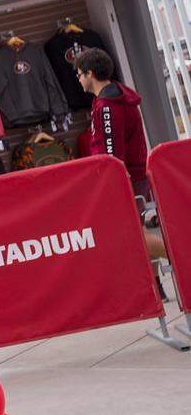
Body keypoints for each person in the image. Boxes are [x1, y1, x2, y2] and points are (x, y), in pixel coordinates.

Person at [75, 47, 167, 263]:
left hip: (125, 180)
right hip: (132, 176)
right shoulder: (114, 96)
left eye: (79, 74)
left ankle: (182, 259)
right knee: (138, 230)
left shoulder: (108, 105)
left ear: (90, 73)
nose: (78, 80)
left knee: (133, 234)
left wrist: (109, 181)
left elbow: (111, 152)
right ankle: (158, 290)